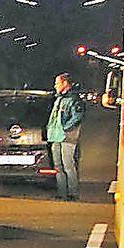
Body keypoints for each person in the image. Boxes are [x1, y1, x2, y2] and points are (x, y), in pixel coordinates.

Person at [47, 72, 86, 201]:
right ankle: (62, 193)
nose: (55, 86)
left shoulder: (74, 100)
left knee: (68, 166)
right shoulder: (59, 99)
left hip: (67, 137)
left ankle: (73, 193)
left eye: (57, 83)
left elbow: (77, 117)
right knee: (58, 166)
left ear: (65, 83)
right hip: (56, 137)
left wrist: (64, 128)